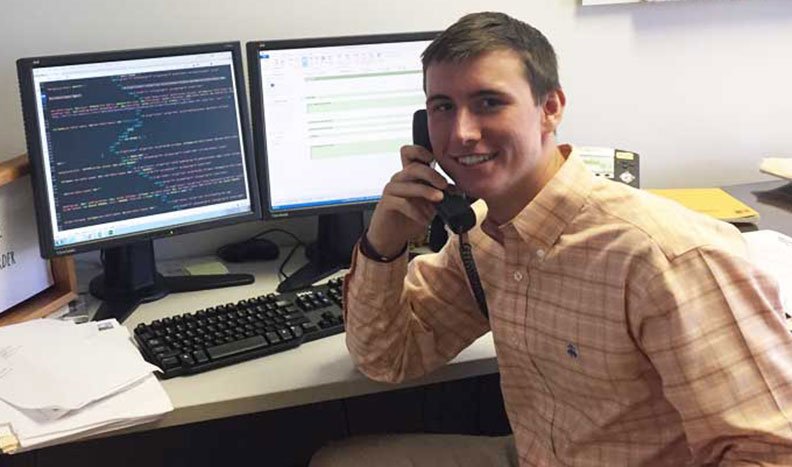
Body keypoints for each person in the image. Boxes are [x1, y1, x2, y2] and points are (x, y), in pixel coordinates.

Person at [313, 11, 792, 467]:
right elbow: (387, 358)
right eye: (443, 107)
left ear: (550, 108)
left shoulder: (662, 256)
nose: (461, 133)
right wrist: (384, 243)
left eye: (488, 102)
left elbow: (772, 451)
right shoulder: (481, 239)